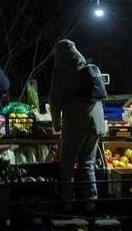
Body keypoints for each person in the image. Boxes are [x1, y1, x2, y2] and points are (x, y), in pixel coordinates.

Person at [50, 39, 107, 211]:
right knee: (87, 162)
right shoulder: (87, 66)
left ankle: (68, 204)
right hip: (96, 120)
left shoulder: (61, 69)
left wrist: (55, 124)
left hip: (77, 121)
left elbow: (55, 99)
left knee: (67, 162)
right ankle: (91, 203)